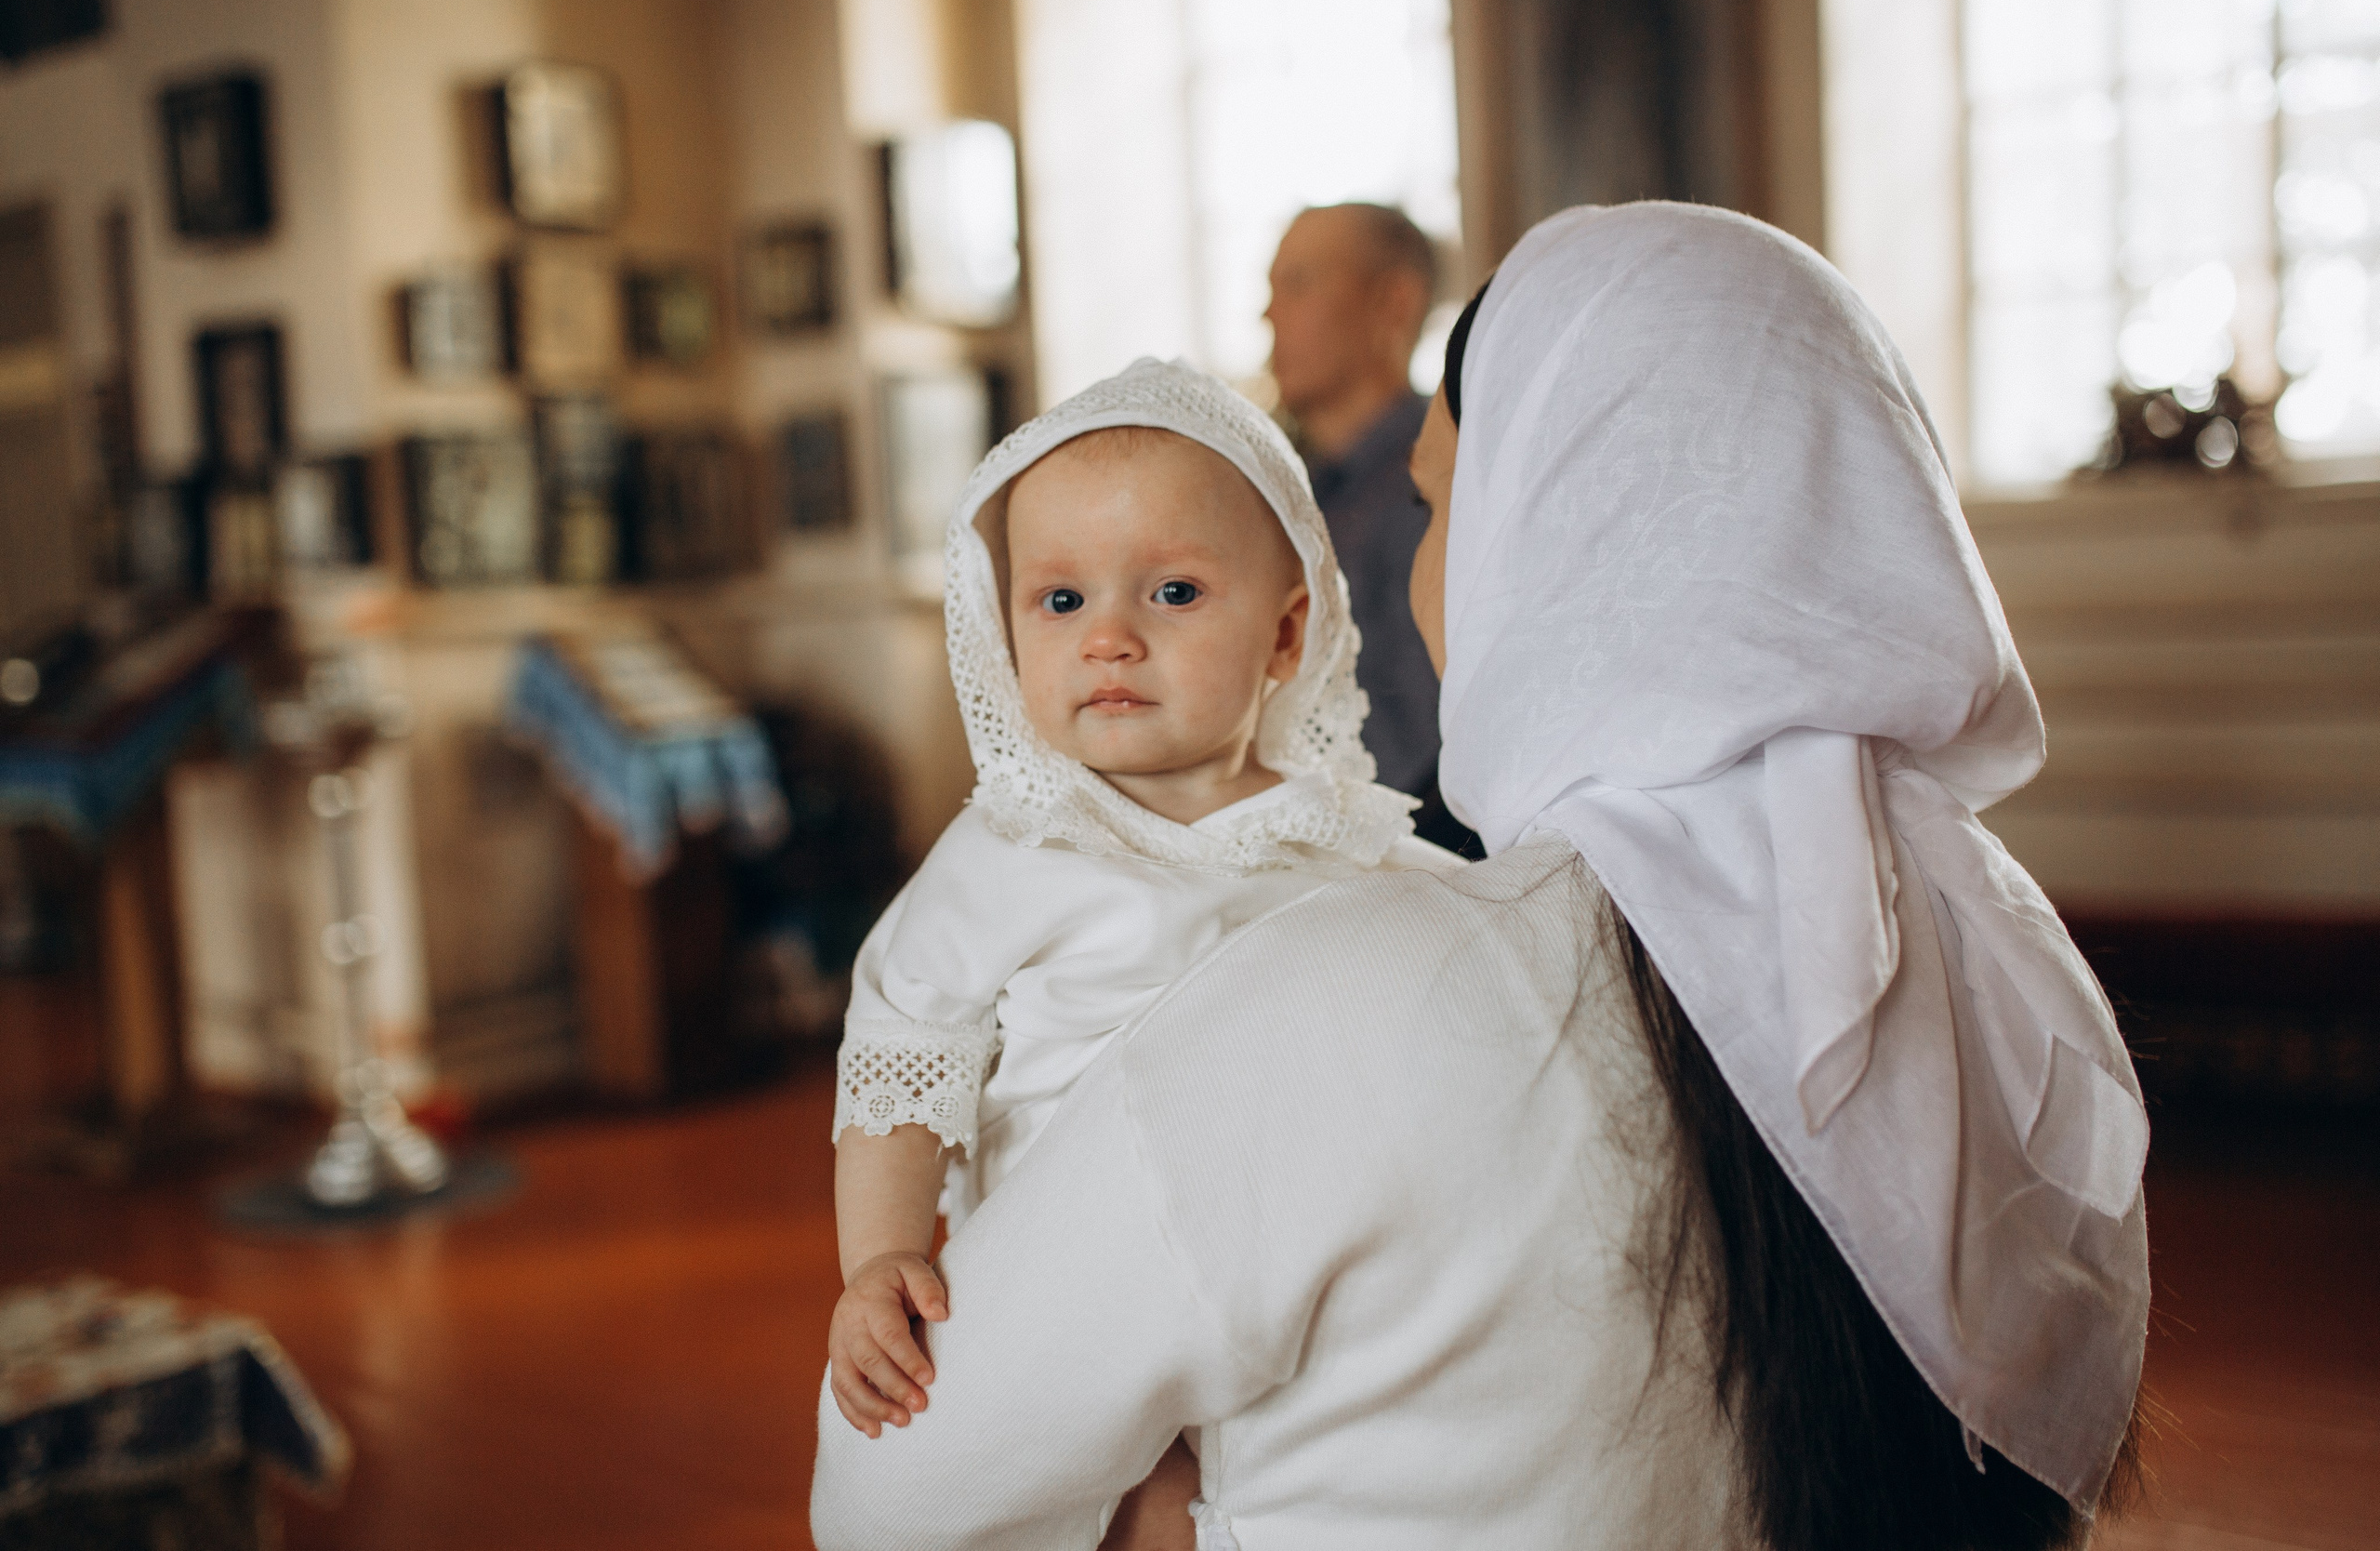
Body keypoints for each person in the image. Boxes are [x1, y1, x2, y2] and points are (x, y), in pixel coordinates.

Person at [811, 204, 2149, 1550]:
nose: (1424, 570)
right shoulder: (2014, 978)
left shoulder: (1353, 982)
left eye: (1443, 504)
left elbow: (884, 1491)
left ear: (1556, 515)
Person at [824, 361, 1461, 1488]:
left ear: (1283, 635)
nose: (1108, 637)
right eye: (1060, 601)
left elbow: (1447, 959)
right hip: (1079, 1270)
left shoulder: (1344, 837)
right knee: (1129, 1493)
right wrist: (878, 1257)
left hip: (1299, 1262)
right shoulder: (1011, 849)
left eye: (1171, 594)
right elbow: (899, 1059)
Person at [1266, 205, 1474, 854]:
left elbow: (1430, 749)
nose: (1268, 314)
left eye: (1298, 283)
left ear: (1394, 302)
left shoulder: (1432, 483)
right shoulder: (1302, 486)